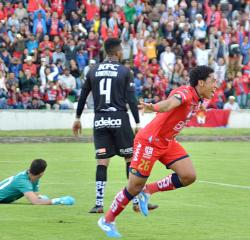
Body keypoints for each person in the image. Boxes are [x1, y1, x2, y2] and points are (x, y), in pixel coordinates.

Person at [97, 65, 216, 238]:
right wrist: (154, 107)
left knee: (188, 176)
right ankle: (107, 220)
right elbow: (170, 103)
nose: (216, 85)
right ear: (201, 82)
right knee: (133, 187)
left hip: (167, 142)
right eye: (213, 81)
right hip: (149, 142)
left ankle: (149, 190)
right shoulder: (186, 92)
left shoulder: (198, 99)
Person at [72, 38, 156, 213]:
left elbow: (83, 96)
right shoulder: (125, 71)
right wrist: (138, 123)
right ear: (117, 52)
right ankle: (136, 202)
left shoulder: (93, 70)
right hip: (119, 118)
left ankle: (99, 204)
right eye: (122, 50)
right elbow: (131, 100)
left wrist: (77, 118)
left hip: (100, 120)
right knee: (130, 160)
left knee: (102, 161)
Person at [0, 159, 74, 205]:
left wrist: (42, 198)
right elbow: (35, 202)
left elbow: (35, 196)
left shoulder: (33, 177)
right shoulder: (23, 181)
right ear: (42, 173)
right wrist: (58, 200)